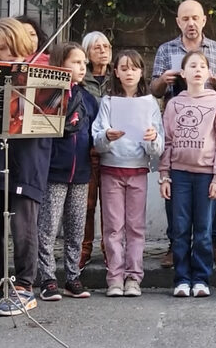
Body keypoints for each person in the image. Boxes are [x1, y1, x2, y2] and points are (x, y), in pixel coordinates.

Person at [0, 18, 53, 316]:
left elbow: (59, 116)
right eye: (3, 50)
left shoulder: (44, 71)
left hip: (28, 157)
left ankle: (24, 286)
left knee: (23, 225)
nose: (11, 56)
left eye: (16, 50)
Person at [151, 0, 216, 270]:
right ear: (178, 22)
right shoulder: (166, 49)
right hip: (178, 122)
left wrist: (214, 81)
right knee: (175, 193)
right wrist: (162, 80)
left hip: (209, 128)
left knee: (215, 193)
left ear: (203, 20)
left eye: (195, 18)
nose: (190, 23)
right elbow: (153, 89)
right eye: (185, 18)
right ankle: (174, 246)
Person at [159, 50, 216, 297]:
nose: (198, 69)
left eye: (203, 65)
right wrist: (164, 175)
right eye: (192, 65)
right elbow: (166, 142)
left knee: (203, 229)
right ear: (183, 72)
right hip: (179, 175)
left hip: (206, 177)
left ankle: (201, 278)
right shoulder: (174, 104)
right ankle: (181, 278)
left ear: (209, 72)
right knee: (179, 229)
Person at [92, 50, 164, 297]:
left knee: (135, 227)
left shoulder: (150, 103)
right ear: (116, 72)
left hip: (138, 170)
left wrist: (152, 139)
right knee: (113, 227)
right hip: (111, 169)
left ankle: (134, 277)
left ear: (141, 72)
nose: (129, 72)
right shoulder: (108, 102)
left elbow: (159, 144)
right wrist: (106, 137)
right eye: (123, 68)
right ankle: (114, 278)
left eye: (133, 68)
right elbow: (97, 138)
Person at [36, 42, 99, 301]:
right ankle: (48, 278)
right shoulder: (48, 95)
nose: (82, 67)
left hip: (82, 172)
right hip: (54, 171)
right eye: (76, 62)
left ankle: (73, 276)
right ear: (60, 64)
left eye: (84, 63)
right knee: (48, 227)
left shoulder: (88, 98)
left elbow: (94, 131)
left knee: (76, 228)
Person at [79, 31, 113, 269]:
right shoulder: (81, 80)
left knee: (111, 204)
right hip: (86, 149)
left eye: (106, 46)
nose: (103, 51)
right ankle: (84, 248)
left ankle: (109, 249)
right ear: (87, 54)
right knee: (87, 203)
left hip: (112, 150)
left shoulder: (117, 78)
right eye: (97, 47)